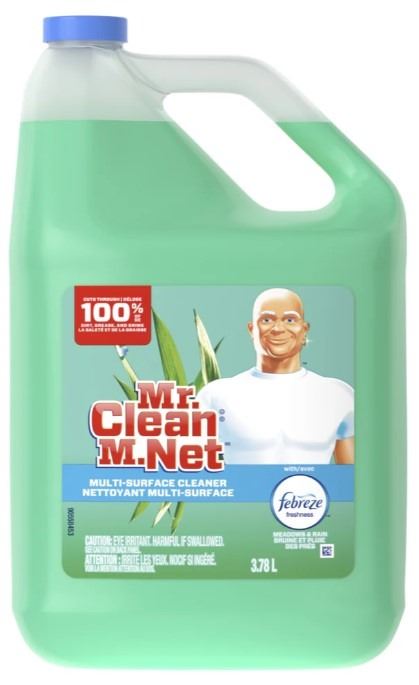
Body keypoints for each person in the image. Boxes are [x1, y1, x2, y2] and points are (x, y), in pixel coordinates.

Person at [197, 288, 354, 465]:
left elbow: (352, 475)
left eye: (290, 320)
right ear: (252, 329)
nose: (278, 329)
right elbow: (193, 472)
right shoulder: (216, 395)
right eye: (267, 320)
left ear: (304, 329)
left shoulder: (338, 395)